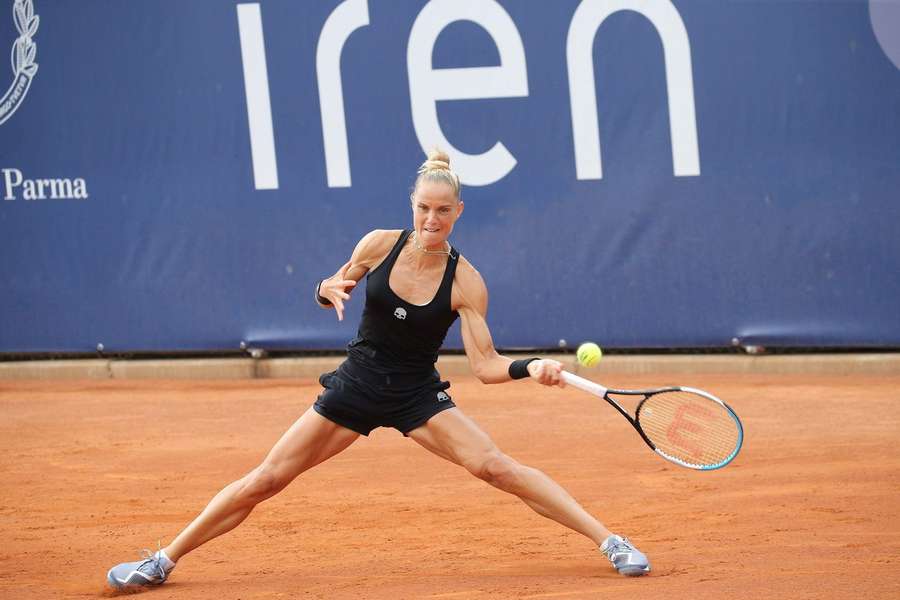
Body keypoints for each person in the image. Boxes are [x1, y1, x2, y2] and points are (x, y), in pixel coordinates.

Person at [106, 150, 650, 590]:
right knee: (267, 479)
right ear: (412, 205)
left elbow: (485, 365)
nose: (431, 220)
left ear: (459, 211)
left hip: (416, 393)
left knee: (494, 467)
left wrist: (532, 367)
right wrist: (323, 289)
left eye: (442, 211)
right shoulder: (379, 244)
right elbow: (333, 285)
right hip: (358, 384)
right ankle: (162, 560)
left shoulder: (466, 282)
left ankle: (611, 541)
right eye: (423, 209)